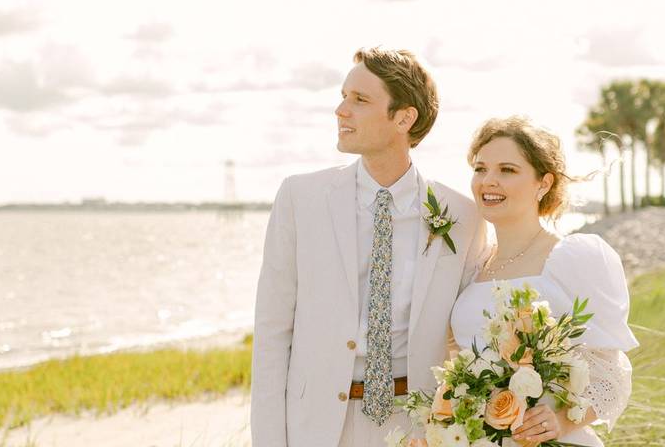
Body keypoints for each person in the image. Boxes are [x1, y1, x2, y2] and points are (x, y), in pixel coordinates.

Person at [250, 48, 491, 447]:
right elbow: (272, 333)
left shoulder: (463, 216)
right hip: (317, 427)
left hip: (418, 428)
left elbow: (467, 337)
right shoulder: (300, 198)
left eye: (359, 100)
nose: (341, 110)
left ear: (404, 117)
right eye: (344, 96)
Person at [450, 116, 639, 447]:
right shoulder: (472, 265)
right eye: (480, 169)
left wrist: (562, 423)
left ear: (544, 183)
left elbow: (613, 375)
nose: (488, 181)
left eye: (507, 170)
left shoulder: (574, 258)